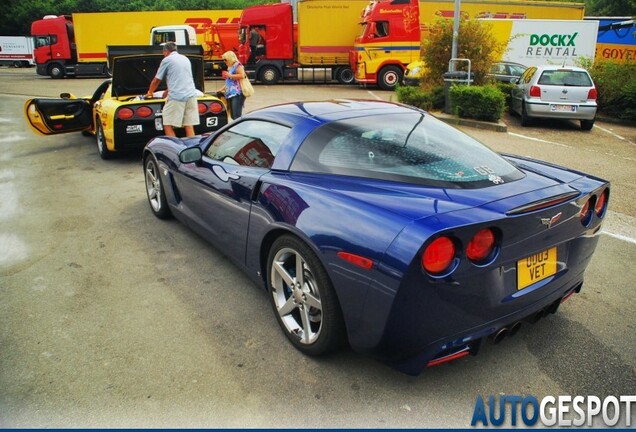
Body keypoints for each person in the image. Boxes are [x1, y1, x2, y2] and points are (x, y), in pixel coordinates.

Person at [146, 41, 199, 137]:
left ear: (166, 51)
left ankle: (173, 148)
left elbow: (156, 80)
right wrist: (167, 90)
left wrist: (150, 92)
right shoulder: (185, 58)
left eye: (163, 53)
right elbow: (181, 78)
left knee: (167, 123)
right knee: (188, 124)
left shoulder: (167, 60)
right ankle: (192, 147)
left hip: (177, 97)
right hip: (191, 96)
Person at [219, 51, 246, 119]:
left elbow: (242, 75)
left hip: (237, 93)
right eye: (224, 60)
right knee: (232, 115)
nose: (224, 61)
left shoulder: (238, 65)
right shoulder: (230, 67)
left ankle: (240, 128)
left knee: (236, 115)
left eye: (225, 60)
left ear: (230, 58)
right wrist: (223, 88)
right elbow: (230, 81)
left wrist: (229, 75)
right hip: (230, 93)